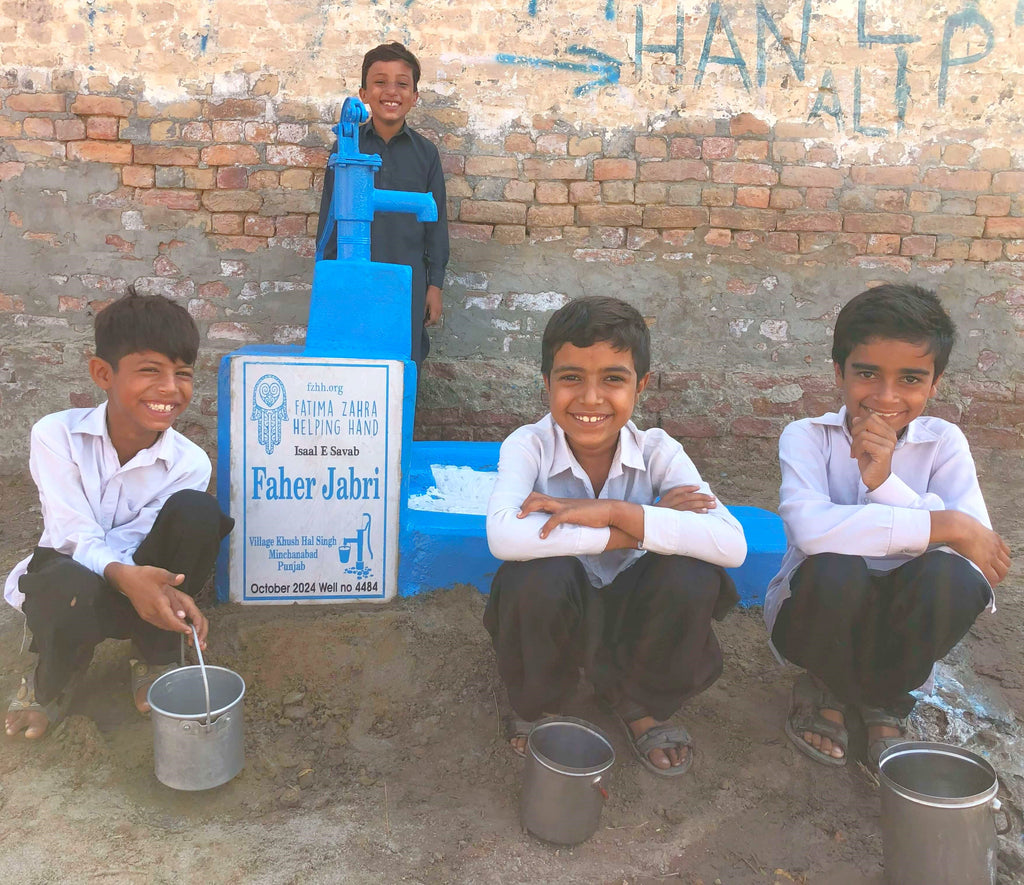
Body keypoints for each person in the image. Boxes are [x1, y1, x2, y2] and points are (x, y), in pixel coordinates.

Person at [484, 296, 747, 776]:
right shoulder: (529, 445)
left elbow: (731, 544)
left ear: (640, 386)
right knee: (534, 578)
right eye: (570, 378)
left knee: (692, 574)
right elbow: (504, 537)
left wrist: (614, 511)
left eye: (613, 378)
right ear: (546, 384)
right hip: (562, 607)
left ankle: (639, 702)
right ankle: (540, 704)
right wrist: (635, 530)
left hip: (635, 614)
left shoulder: (659, 451)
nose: (590, 399)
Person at [766, 284, 1011, 769]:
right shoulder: (807, 438)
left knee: (954, 580)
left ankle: (884, 697)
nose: (885, 396)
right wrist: (945, 525)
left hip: (904, 628)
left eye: (911, 379)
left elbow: (978, 559)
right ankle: (827, 688)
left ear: (935, 382)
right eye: (866, 373)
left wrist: (885, 484)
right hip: (816, 617)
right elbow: (810, 531)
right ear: (839, 372)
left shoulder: (944, 443)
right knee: (836, 568)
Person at [4, 289, 234, 739]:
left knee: (199, 512)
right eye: (150, 370)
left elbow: (151, 544)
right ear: (102, 373)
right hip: (69, 577)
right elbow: (71, 532)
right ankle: (55, 675)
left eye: (182, 373)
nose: (170, 388)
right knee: (68, 583)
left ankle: (157, 653)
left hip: (140, 582)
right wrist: (129, 578)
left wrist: (166, 592)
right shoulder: (57, 436)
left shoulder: (189, 463)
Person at [315, 41, 449, 366]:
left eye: (402, 84)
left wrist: (435, 285)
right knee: (354, 360)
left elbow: (437, 225)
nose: (392, 91)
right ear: (363, 93)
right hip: (355, 275)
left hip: (409, 280)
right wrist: (329, 276)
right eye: (380, 82)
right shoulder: (346, 149)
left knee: (405, 361)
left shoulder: (426, 153)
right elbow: (329, 220)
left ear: (415, 96)